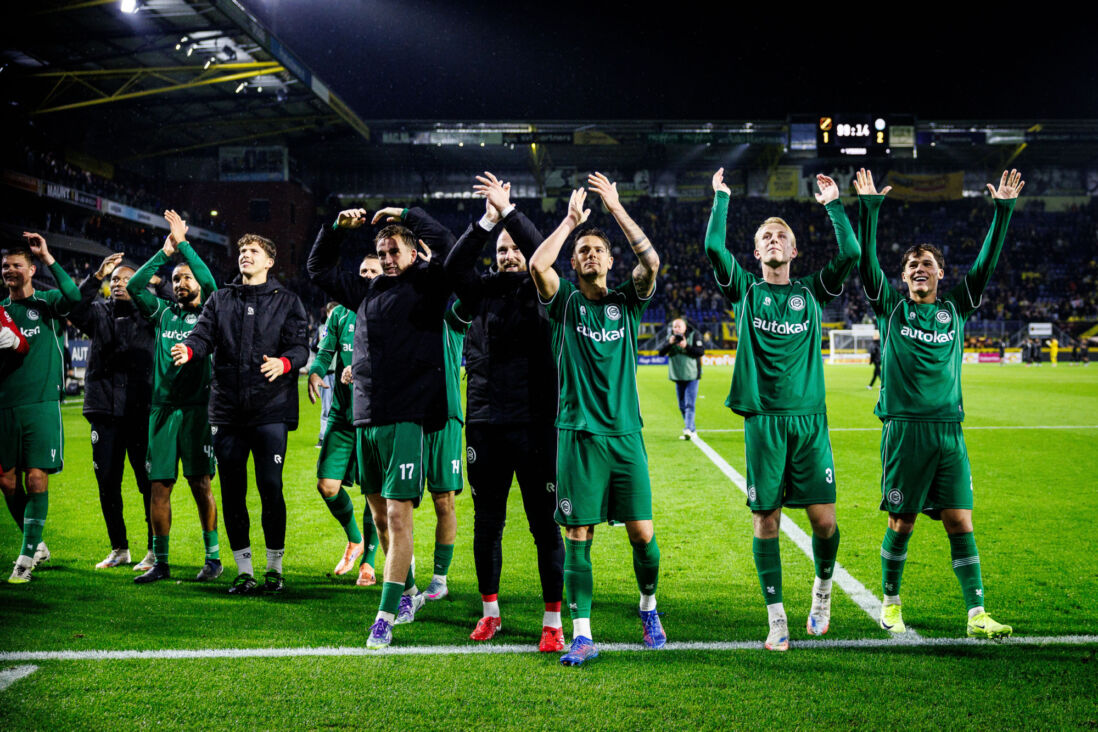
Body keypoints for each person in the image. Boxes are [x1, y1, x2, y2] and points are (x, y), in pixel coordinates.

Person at [854, 167, 1021, 639]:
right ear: (903, 276)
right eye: (911, 265)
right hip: (905, 430)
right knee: (902, 521)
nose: (918, 268)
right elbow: (866, 265)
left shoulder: (955, 309)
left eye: (926, 263)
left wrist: (1003, 212)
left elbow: (985, 266)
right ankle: (891, 603)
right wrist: (869, 210)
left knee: (960, 520)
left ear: (941, 273)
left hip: (949, 431)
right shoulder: (891, 309)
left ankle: (977, 613)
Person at [704, 167, 859, 651]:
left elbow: (852, 254)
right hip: (764, 421)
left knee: (825, 522)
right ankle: (776, 620)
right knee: (765, 519)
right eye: (765, 237)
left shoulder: (810, 291)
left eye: (781, 237)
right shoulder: (747, 291)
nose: (773, 240)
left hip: (809, 420)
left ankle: (822, 592)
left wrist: (834, 205)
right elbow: (713, 248)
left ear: (794, 251)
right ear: (757, 253)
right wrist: (722, 198)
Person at [529, 173, 665, 667]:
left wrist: (616, 209)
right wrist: (571, 222)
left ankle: (648, 607)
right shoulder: (565, 302)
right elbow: (537, 264)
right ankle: (582, 634)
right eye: (583, 251)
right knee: (577, 535)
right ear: (575, 262)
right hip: (578, 436)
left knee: (642, 535)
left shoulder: (626, 303)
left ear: (610, 261)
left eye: (598, 250)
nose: (590, 255)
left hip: (625, 434)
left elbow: (651, 263)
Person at [308, 203, 456, 650]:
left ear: (412, 253)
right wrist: (335, 227)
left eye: (395, 251)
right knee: (378, 517)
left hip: (406, 417)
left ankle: (385, 616)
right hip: (365, 416)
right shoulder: (367, 292)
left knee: (397, 513)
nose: (388, 259)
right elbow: (318, 268)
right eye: (383, 252)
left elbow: (449, 245)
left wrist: (408, 214)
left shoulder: (428, 284)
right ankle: (408, 591)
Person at [444, 172, 565, 651]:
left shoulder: (545, 289)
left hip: (536, 425)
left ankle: (552, 621)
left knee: (544, 525)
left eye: (515, 249)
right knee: (487, 524)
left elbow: (540, 252)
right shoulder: (480, 291)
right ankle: (490, 612)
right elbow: (454, 266)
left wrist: (511, 215)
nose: (509, 255)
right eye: (501, 250)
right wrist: (486, 222)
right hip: (486, 426)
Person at [171, 233, 308, 595]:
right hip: (228, 413)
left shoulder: (288, 301)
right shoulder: (220, 299)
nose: (246, 255)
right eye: (243, 250)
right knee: (232, 492)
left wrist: (284, 363)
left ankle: (275, 568)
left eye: (254, 251)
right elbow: (202, 336)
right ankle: (244, 571)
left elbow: (300, 348)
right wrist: (189, 349)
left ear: (269, 261)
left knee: (271, 487)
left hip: (270, 410)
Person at [126, 210, 222, 583]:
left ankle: (213, 559)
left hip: (197, 411)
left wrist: (184, 245)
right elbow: (136, 286)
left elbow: (211, 282)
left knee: (200, 483)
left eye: (186, 277)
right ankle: (161, 562)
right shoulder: (163, 313)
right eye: (175, 279)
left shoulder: (211, 312)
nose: (180, 283)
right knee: (159, 486)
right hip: (162, 411)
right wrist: (165, 253)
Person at [68, 251, 156, 573]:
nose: (119, 283)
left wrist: (157, 279)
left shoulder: (150, 314)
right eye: (115, 279)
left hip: (140, 411)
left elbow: (176, 302)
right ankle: (119, 548)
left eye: (127, 279)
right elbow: (74, 309)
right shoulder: (99, 312)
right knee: (107, 481)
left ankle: (154, 550)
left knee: (147, 482)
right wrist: (96, 277)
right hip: (104, 410)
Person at [1, 233, 81, 582]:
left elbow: (75, 297)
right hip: (5, 405)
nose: (10, 270)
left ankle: (24, 560)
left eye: (17, 265)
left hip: (42, 403)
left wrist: (48, 256)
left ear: (31, 270)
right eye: (5, 266)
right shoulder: (1, 312)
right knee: (6, 482)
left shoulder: (48, 303)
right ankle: (37, 544)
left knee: (35, 478)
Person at [306, 253, 383, 584]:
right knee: (327, 485)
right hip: (342, 414)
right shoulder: (339, 314)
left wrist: (362, 369)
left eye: (373, 271)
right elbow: (325, 351)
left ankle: (369, 562)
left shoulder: (389, 310)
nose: (366, 275)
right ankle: (355, 538)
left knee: (374, 492)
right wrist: (316, 371)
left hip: (376, 417)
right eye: (362, 270)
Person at [657, 317, 705, 439]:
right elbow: (660, 353)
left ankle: (688, 429)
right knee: (682, 406)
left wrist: (686, 346)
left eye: (679, 326)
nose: (677, 329)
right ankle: (692, 430)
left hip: (692, 375)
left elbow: (700, 352)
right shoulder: (670, 338)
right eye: (675, 326)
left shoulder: (694, 335)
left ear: (685, 327)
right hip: (678, 376)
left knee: (689, 404)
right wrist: (670, 343)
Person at [311, 302, 338, 446]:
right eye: (331, 313)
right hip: (326, 373)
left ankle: (336, 437)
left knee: (339, 407)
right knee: (326, 407)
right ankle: (322, 437)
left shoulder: (344, 327)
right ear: (327, 314)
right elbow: (313, 347)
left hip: (340, 373)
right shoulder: (322, 328)